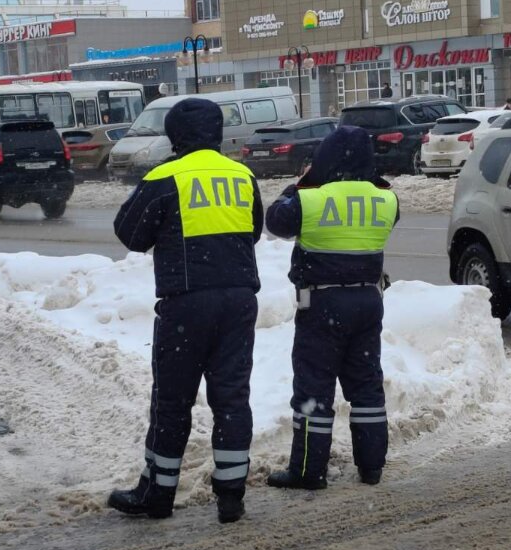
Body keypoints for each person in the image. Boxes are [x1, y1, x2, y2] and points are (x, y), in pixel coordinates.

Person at [109, 98, 264, 524]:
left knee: (173, 400)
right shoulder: (242, 175)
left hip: (187, 302)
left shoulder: (164, 177)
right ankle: (231, 496)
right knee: (232, 398)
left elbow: (130, 234)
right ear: (216, 134)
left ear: (175, 136)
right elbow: (252, 230)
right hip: (238, 300)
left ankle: (157, 494)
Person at [263, 126, 399, 491]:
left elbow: (275, 219)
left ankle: (308, 470)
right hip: (369, 302)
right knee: (367, 385)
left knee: (313, 387)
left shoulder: (311, 199)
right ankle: (371, 467)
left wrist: (301, 183)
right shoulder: (387, 200)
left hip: (321, 303)